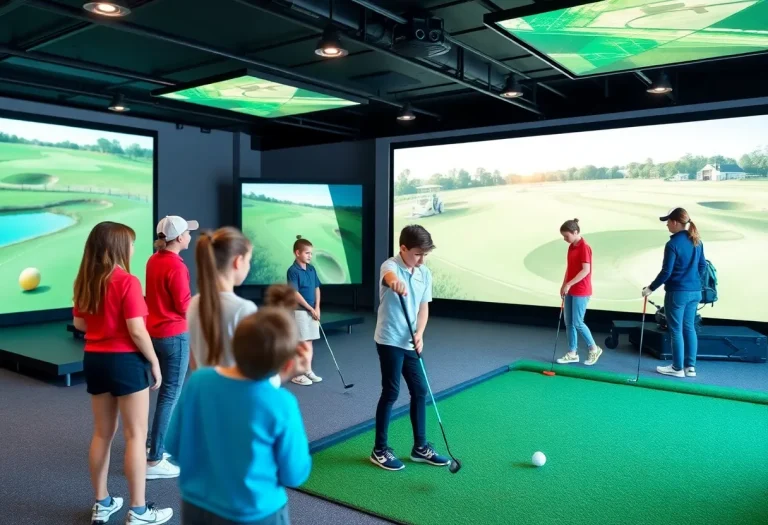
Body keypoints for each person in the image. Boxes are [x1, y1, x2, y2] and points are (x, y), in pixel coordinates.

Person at [166, 307, 312, 525]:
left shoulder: (198, 382)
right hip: (258, 514)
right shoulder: (281, 403)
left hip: (196, 507)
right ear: (288, 363)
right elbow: (294, 474)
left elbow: (173, 446)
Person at [72, 221, 173, 525]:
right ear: (117, 247)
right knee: (135, 435)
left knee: (102, 433)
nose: (132, 248)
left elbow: (80, 326)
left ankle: (102, 503)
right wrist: (155, 362)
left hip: (95, 360)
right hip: (126, 362)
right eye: (129, 242)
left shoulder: (85, 281)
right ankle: (139, 511)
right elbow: (137, 331)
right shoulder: (127, 281)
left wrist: (104, 326)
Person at [370, 224, 450, 471]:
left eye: (425, 254)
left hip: (410, 341)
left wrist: (420, 333)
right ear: (403, 248)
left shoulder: (424, 273)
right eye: (417, 254)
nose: (421, 259)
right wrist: (395, 284)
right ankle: (379, 450)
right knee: (391, 392)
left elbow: (424, 307)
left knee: (420, 391)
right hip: (389, 340)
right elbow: (389, 276)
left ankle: (420, 447)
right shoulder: (390, 265)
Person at [186, 227, 282, 388]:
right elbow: (257, 372)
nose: (249, 266)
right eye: (248, 260)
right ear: (238, 261)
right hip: (238, 402)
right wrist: (283, 373)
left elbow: (194, 362)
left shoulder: (193, 303)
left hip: (207, 398)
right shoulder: (243, 309)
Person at [144, 215, 198, 479]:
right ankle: (154, 459)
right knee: (169, 395)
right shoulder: (177, 266)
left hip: (154, 334)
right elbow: (183, 306)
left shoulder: (153, 259)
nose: (191, 235)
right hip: (174, 336)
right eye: (188, 232)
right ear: (179, 238)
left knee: (163, 394)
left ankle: (152, 446)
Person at [643, 207, 706, 378]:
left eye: (668, 222)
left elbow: (666, 272)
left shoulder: (672, 244)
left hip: (677, 293)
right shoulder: (697, 241)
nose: (667, 226)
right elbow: (702, 266)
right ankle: (690, 368)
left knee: (676, 330)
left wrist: (650, 288)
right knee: (689, 328)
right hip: (695, 292)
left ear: (676, 222)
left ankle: (677, 368)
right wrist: (692, 280)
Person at [555, 218, 603, 366]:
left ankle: (594, 348)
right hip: (570, 289)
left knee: (577, 322)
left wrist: (569, 284)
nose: (564, 239)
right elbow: (570, 268)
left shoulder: (584, 247)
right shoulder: (571, 247)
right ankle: (572, 353)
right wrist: (564, 285)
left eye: (566, 236)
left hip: (581, 290)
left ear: (575, 232)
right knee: (569, 322)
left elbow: (585, 270)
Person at [286, 236, 322, 386]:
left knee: (309, 342)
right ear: (297, 253)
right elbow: (295, 293)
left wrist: (317, 307)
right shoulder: (292, 271)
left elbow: (316, 288)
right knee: (301, 343)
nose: (310, 256)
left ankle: (307, 369)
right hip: (300, 311)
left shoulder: (312, 269)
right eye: (307, 253)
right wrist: (309, 308)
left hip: (313, 310)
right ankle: (297, 373)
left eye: (311, 253)